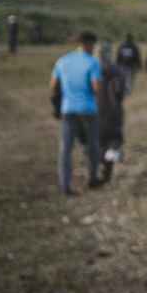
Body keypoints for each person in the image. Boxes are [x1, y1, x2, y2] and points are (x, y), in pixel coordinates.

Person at [50, 31, 103, 195]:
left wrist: (57, 106)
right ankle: (92, 178)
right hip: (88, 110)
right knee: (92, 146)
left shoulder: (62, 61)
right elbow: (96, 88)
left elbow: (53, 87)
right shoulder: (93, 62)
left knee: (66, 149)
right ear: (90, 44)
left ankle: (64, 185)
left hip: (68, 109)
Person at [96, 41, 127, 182]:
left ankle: (101, 166)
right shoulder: (118, 70)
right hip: (113, 112)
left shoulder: (92, 69)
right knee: (113, 141)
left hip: (96, 111)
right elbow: (121, 92)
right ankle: (107, 169)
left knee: (99, 141)